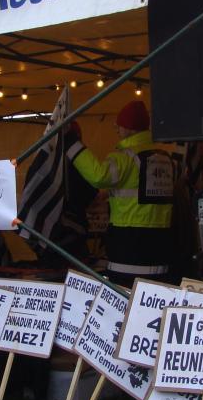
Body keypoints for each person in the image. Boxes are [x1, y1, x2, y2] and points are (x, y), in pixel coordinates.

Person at [68, 100, 175, 286]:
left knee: (123, 296)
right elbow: (142, 190)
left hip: (129, 244)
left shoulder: (124, 158)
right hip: (161, 242)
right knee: (153, 294)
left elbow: (98, 175)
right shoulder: (165, 158)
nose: (117, 129)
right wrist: (110, 195)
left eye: (120, 125)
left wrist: (71, 144)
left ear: (130, 129)